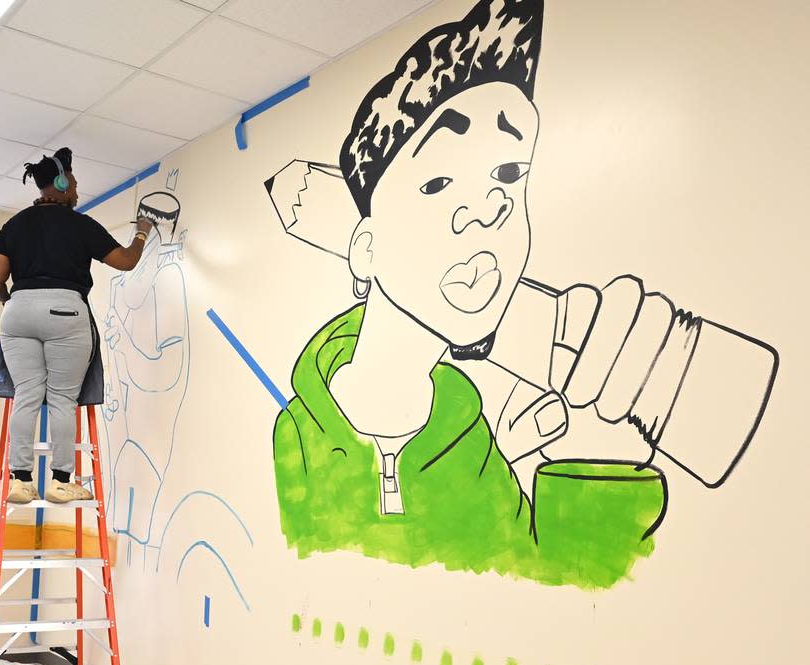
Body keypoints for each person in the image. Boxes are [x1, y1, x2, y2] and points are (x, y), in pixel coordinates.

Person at [271, 0, 666, 589]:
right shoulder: (299, 440)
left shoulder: (468, 436)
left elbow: (548, 579)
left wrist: (606, 449)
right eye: (436, 182)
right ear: (366, 248)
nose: (490, 208)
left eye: (509, 175)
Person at [0, 147, 156, 505]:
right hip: (65, 311)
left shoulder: (13, 225)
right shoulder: (80, 224)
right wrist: (141, 234)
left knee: (26, 396)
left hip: (19, 313)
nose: (76, 192)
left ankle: (20, 480)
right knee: (62, 398)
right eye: (74, 184)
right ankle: (61, 480)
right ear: (61, 184)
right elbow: (124, 261)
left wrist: (10, 301)